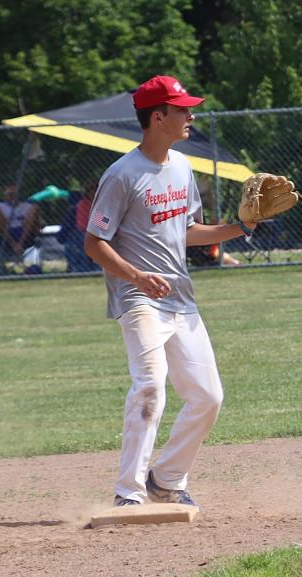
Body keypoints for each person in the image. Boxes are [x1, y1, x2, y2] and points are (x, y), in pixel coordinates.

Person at [82, 75, 255, 509]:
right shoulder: (122, 176)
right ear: (157, 117)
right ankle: (129, 491)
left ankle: (167, 478)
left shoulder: (181, 166)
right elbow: (94, 242)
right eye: (182, 109)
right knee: (150, 387)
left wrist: (242, 227)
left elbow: (188, 231)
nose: (191, 115)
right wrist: (135, 277)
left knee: (208, 396)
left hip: (180, 297)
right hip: (138, 299)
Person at [0, 184, 42, 261]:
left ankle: (20, 244)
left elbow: (39, 224)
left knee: (35, 207)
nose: (13, 197)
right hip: (4, 235)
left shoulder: (27, 206)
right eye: (10, 194)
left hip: (24, 233)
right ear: (4, 196)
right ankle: (14, 245)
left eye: (15, 194)